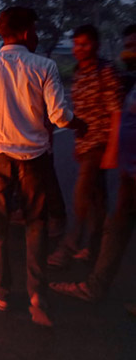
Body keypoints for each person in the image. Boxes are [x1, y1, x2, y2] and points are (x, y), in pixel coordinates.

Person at [0, 7, 86, 327]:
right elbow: (59, 117)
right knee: (35, 226)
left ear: (2, 32)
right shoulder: (44, 65)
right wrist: (80, 124)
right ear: (28, 32)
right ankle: (37, 296)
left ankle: (0, 292)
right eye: (34, 30)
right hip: (34, 160)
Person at [49, 25, 136, 313]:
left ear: (96, 46)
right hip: (89, 144)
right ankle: (93, 250)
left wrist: (112, 149)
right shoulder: (79, 72)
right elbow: (81, 110)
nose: (80, 49)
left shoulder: (106, 71)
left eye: (85, 44)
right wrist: (78, 141)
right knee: (99, 203)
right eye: (76, 44)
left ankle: (70, 245)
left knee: (82, 194)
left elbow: (115, 112)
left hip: (102, 143)